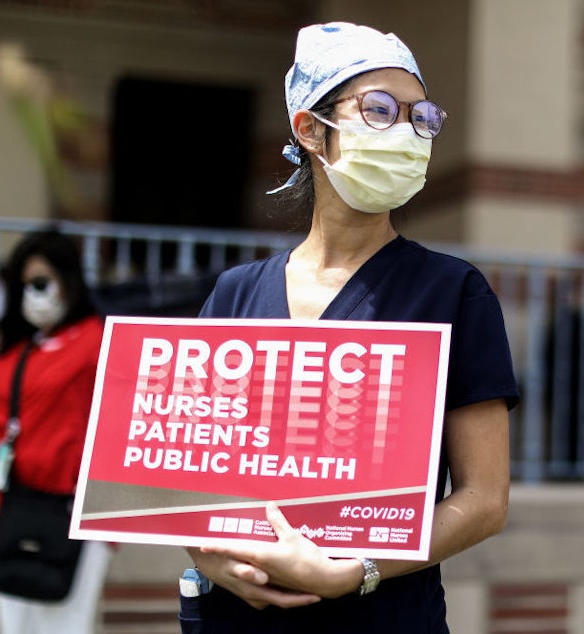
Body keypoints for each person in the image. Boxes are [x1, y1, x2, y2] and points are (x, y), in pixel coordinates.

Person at [180, 22, 520, 633]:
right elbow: (189, 475)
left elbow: (485, 500)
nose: (408, 132)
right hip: (235, 616)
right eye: (380, 110)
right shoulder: (236, 294)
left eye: (422, 117)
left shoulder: (451, 292)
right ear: (310, 128)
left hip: (382, 618)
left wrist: (356, 569)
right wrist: (205, 554)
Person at [0, 228, 112, 634]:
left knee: (67, 624)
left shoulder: (95, 340)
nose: (34, 293)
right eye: (24, 284)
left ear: (68, 280)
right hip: (11, 503)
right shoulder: (15, 347)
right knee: (15, 623)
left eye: (42, 282)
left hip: (73, 509)